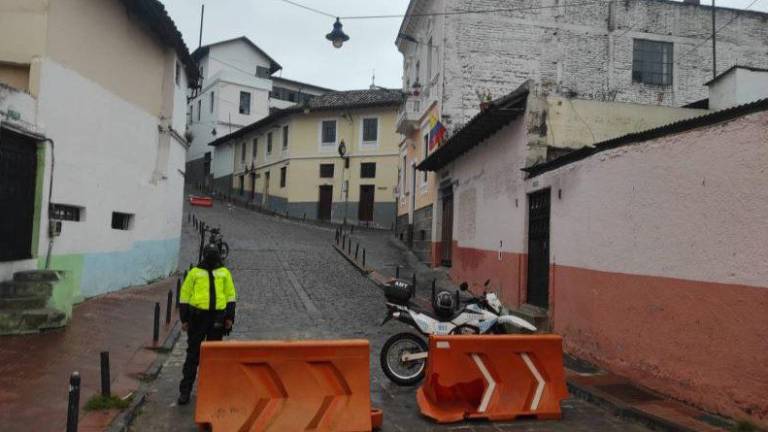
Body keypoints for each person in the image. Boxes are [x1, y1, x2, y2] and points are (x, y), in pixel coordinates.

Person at [177, 244, 237, 405]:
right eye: (209, 254)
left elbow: (231, 296)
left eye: (214, 254)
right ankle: (185, 391)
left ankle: (211, 391)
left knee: (213, 357)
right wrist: (184, 319)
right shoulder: (194, 273)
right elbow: (184, 295)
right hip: (197, 318)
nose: (212, 257)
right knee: (193, 355)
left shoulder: (224, 273)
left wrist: (230, 317)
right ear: (204, 255)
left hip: (217, 318)